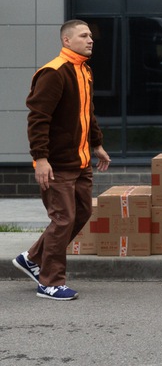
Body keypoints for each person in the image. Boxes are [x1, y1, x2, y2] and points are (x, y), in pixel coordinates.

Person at [12, 19, 110, 301]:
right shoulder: (54, 73)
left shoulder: (84, 71)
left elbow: (86, 113)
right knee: (63, 219)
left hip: (80, 162)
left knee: (82, 213)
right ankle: (50, 282)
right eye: (83, 35)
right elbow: (38, 119)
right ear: (67, 41)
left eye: (91, 35)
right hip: (56, 165)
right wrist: (40, 159)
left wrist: (97, 144)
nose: (90, 39)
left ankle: (32, 259)